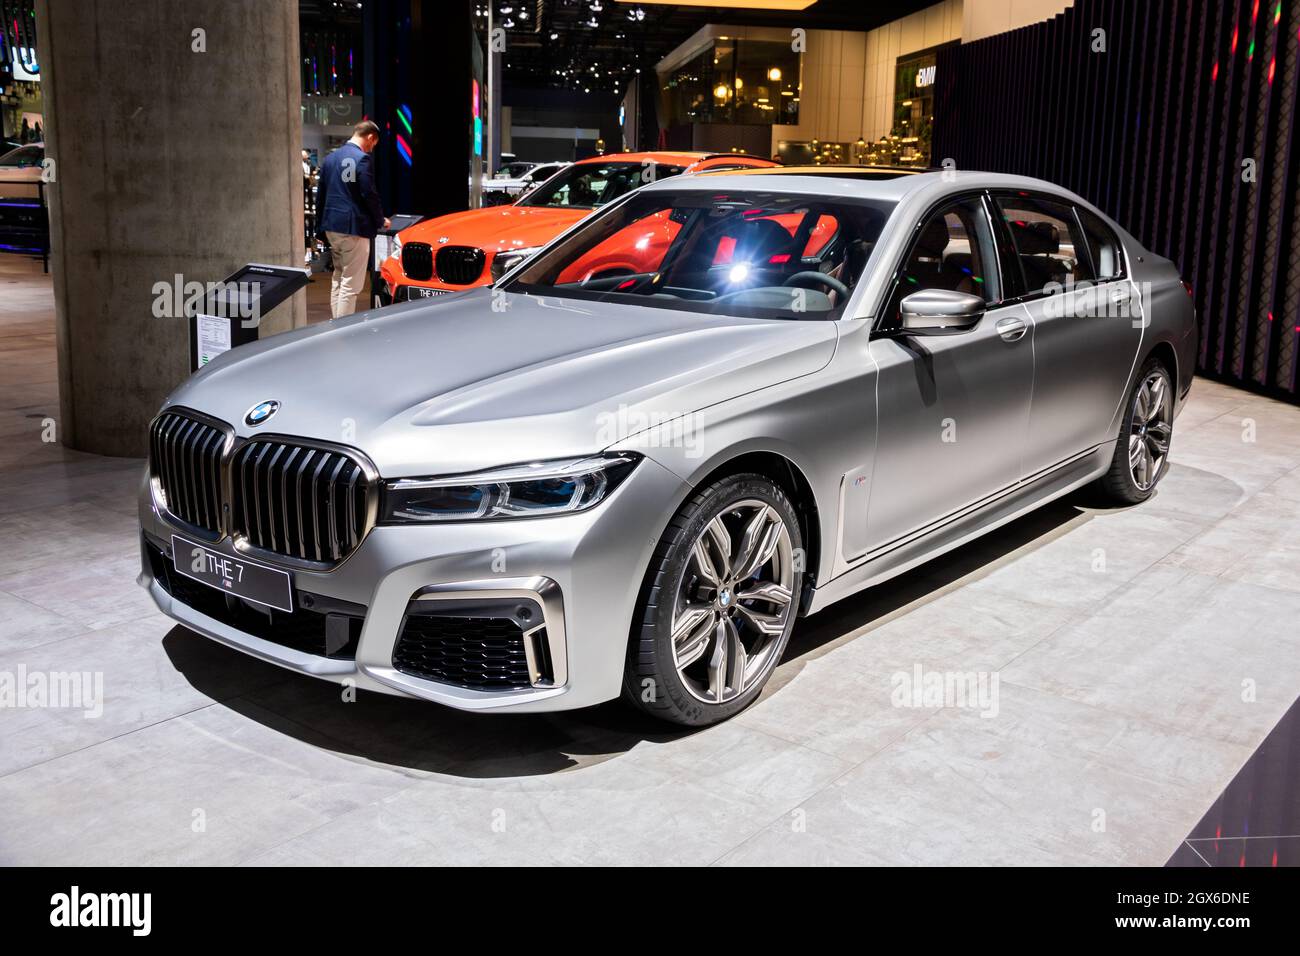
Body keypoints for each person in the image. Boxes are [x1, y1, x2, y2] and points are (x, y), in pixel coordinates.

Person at [316, 120, 390, 317]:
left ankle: (335, 325)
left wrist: (319, 228)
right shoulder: (362, 159)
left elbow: (320, 197)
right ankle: (343, 332)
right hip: (354, 228)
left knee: (338, 279)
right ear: (370, 137)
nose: (372, 148)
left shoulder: (330, 159)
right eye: (374, 144)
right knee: (350, 284)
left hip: (332, 227)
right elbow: (369, 194)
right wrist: (380, 220)